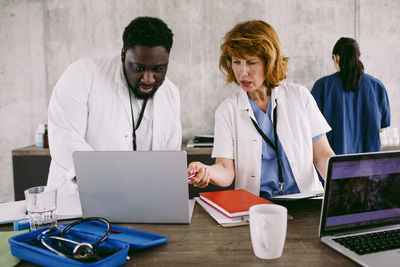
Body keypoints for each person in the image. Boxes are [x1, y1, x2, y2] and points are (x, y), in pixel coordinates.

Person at [187, 20, 334, 199]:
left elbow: (322, 155)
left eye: (251, 62)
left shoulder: (299, 96)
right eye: (237, 62)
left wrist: (342, 185)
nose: (242, 72)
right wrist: (207, 171)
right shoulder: (227, 110)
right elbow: (225, 171)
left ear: (269, 63)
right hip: (256, 207)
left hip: (307, 201)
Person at [47, 17, 182, 206]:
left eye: (158, 69)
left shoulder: (171, 94)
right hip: (75, 206)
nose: (149, 79)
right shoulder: (83, 74)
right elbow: (64, 139)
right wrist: (109, 183)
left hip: (141, 206)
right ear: (123, 55)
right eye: (139, 68)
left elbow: (168, 160)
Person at [311, 37, 390, 155]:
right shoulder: (377, 86)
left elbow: (312, 129)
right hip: (369, 165)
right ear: (359, 56)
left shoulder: (322, 86)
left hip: (333, 165)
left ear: (335, 57)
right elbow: (382, 127)